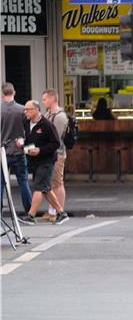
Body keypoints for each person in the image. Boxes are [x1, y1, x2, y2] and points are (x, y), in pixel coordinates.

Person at [17, 101, 69, 225]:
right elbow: (27, 138)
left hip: (47, 161)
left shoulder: (46, 125)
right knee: (46, 189)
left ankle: (31, 215)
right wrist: (21, 142)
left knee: (38, 187)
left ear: (36, 110)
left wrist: (40, 150)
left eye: (28, 110)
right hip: (35, 161)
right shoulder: (26, 122)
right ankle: (62, 213)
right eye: (25, 110)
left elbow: (56, 143)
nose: (25, 112)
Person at [1, 82, 32, 214]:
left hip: (2, 151)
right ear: (14, 93)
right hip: (19, 151)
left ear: (2, 94)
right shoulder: (22, 110)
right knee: (23, 182)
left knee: (1, 183)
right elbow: (29, 130)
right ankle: (29, 211)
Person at [42, 89, 68, 223]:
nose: (43, 101)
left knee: (57, 183)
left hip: (58, 153)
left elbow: (55, 137)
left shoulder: (59, 117)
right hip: (50, 153)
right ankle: (52, 211)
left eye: (45, 99)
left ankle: (60, 211)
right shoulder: (48, 114)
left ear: (52, 99)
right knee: (50, 183)